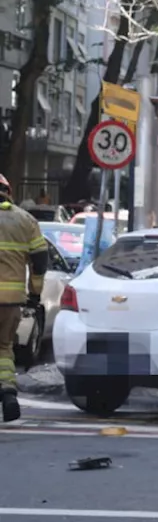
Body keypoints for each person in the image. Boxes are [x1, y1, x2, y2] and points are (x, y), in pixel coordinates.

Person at [0, 173, 49, 422]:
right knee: (4, 348)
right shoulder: (26, 220)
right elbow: (40, 261)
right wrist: (35, 293)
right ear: (8, 192)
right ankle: (8, 393)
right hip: (10, 301)